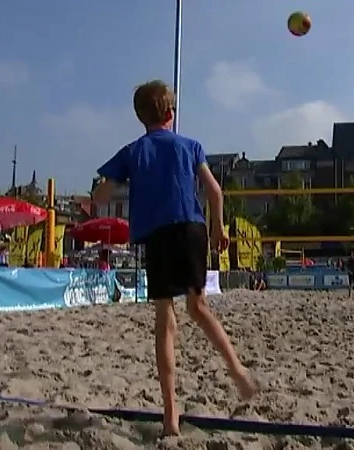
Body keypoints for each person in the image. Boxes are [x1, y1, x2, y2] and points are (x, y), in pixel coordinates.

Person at [92, 79, 258, 436]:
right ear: (171, 113)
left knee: (164, 320)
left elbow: (104, 192)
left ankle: (171, 416)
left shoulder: (134, 150)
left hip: (158, 236)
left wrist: (91, 200)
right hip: (192, 229)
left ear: (141, 118)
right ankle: (237, 370)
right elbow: (214, 191)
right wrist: (219, 229)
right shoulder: (191, 146)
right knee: (199, 307)